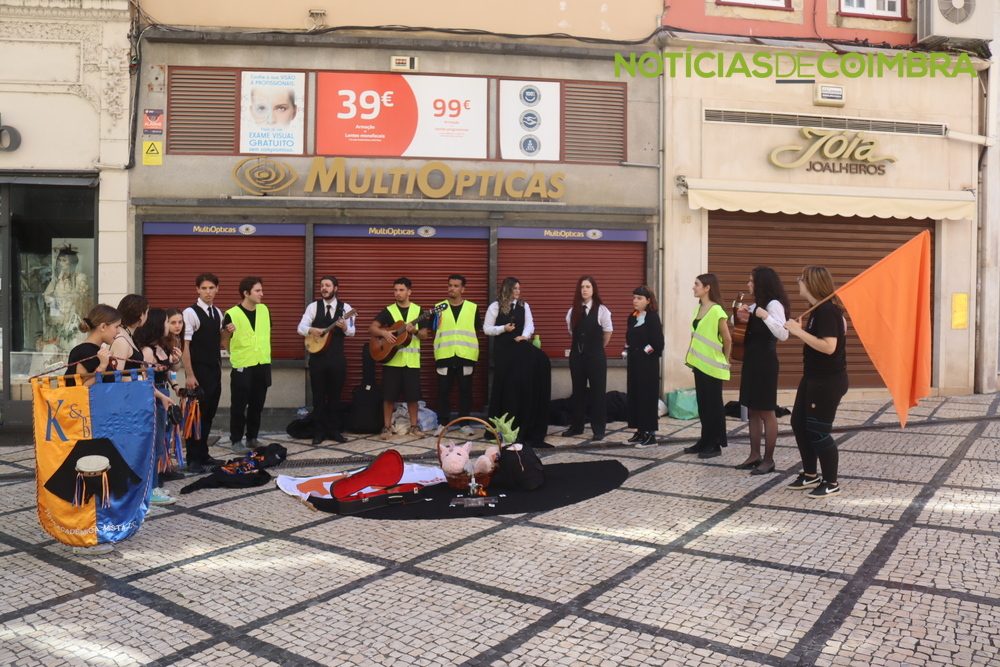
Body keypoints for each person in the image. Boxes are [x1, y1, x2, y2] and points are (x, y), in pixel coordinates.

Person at [784, 266, 849, 498]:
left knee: (818, 431)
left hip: (827, 380)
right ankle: (810, 475)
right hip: (812, 377)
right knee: (799, 423)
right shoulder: (817, 310)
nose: (798, 282)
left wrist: (797, 332)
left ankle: (831, 482)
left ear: (811, 283)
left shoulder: (826, 311)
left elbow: (829, 347)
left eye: (801, 279)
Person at [735, 267, 791, 475]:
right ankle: (754, 455)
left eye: (752, 281)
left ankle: (768, 460)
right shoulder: (756, 304)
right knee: (752, 409)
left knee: (766, 410)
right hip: (752, 360)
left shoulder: (773, 305)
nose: (749, 284)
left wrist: (766, 316)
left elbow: (783, 333)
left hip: (766, 362)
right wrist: (740, 312)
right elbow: (737, 324)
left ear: (762, 283)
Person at [484, 278, 551, 447]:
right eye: (514, 288)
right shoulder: (495, 307)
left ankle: (523, 421)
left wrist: (524, 336)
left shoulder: (524, 306)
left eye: (519, 288)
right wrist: (503, 329)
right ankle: (502, 425)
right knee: (506, 385)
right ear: (507, 289)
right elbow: (487, 329)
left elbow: (529, 325)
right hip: (504, 351)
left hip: (519, 348)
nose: (518, 291)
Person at [181, 273, 233, 474]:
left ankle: (203, 453)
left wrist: (228, 331)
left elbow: (219, 339)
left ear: (217, 289)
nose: (208, 292)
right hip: (198, 370)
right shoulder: (190, 313)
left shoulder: (217, 312)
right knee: (195, 415)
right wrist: (190, 374)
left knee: (209, 414)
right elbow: (185, 346)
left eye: (211, 288)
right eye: (204, 288)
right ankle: (192, 458)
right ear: (197, 290)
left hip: (214, 369)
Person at [370, 278, 429, 441]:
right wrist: (384, 333)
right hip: (392, 360)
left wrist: (414, 331)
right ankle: (387, 426)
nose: (398, 293)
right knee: (388, 396)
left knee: (413, 397)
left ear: (409, 292)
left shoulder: (418, 310)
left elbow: (424, 335)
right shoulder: (389, 310)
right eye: (395, 290)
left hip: (411, 362)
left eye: (401, 290)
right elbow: (372, 328)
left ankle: (414, 426)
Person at [298, 275, 354, 445]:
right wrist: (311, 330)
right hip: (318, 359)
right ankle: (319, 432)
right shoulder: (313, 307)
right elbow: (301, 327)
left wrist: (344, 326)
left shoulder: (346, 308)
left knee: (335, 397)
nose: (324, 288)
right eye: (322, 285)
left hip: (337, 359)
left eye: (328, 285)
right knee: (318, 397)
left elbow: (352, 331)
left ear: (335, 288)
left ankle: (334, 431)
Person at [135, 308, 183, 505]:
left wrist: (176, 360)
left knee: (160, 443)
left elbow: (172, 370)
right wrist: (162, 396)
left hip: (164, 394)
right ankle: (151, 489)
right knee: (154, 445)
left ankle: (154, 485)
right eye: (165, 322)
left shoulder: (162, 346)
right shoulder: (147, 351)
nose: (168, 326)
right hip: (155, 397)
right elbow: (145, 381)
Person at [683, 273, 732, 459]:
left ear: (707, 288)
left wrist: (725, 360)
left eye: (697, 284)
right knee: (703, 406)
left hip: (713, 366)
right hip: (699, 365)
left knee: (714, 406)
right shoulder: (699, 308)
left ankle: (715, 443)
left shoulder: (716, 310)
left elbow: (727, 339)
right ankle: (705, 440)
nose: (693, 287)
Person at [222, 277, 272, 453]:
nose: (262, 294)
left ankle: (252, 438)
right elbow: (225, 339)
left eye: (261, 290)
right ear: (246, 293)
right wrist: (234, 353)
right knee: (239, 405)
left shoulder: (264, 310)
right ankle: (236, 440)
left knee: (257, 405)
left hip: (262, 364)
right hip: (243, 366)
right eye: (258, 291)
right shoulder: (231, 314)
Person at [563, 276, 613, 441]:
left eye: (587, 287)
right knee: (578, 392)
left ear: (593, 290)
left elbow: (608, 332)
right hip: (577, 357)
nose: (584, 290)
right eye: (582, 287)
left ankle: (598, 429)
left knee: (598, 392)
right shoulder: (573, 311)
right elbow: (572, 332)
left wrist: (597, 348)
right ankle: (577, 426)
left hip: (596, 357)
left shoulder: (602, 310)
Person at [432, 274, 480, 437]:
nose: (451, 288)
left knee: (466, 392)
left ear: (463, 289)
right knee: (443, 392)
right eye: (450, 285)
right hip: (445, 355)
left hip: (466, 355)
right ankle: (442, 423)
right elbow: (434, 330)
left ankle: (464, 424)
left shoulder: (472, 308)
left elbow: (476, 330)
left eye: (456, 286)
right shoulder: (438, 308)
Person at [625, 286, 664, 448]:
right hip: (634, 363)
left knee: (647, 397)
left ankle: (651, 435)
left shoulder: (652, 318)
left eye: (639, 298)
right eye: (634, 297)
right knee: (635, 396)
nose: (635, 301)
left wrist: (643, 351)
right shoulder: (632, 317)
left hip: (648, 364)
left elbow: (658, 344)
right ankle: (639, 431)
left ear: (648, 301)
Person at [44, 248, 92, 350]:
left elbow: (84, 301)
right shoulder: (57, 279)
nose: (61, 263)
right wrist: (55, 306)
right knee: (59, 345)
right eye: (60, 260)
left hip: (74, 318)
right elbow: (47, 295)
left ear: (72, 262)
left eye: (64, 260)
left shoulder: (80, 278)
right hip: (59, 319)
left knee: (73, 344)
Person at [65, 304, 121, 387]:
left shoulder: (94, 350)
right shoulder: (84, 351)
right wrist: (102, 367)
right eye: (116, 327)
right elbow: (82, 387)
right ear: (103, 327)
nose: (119, 331)